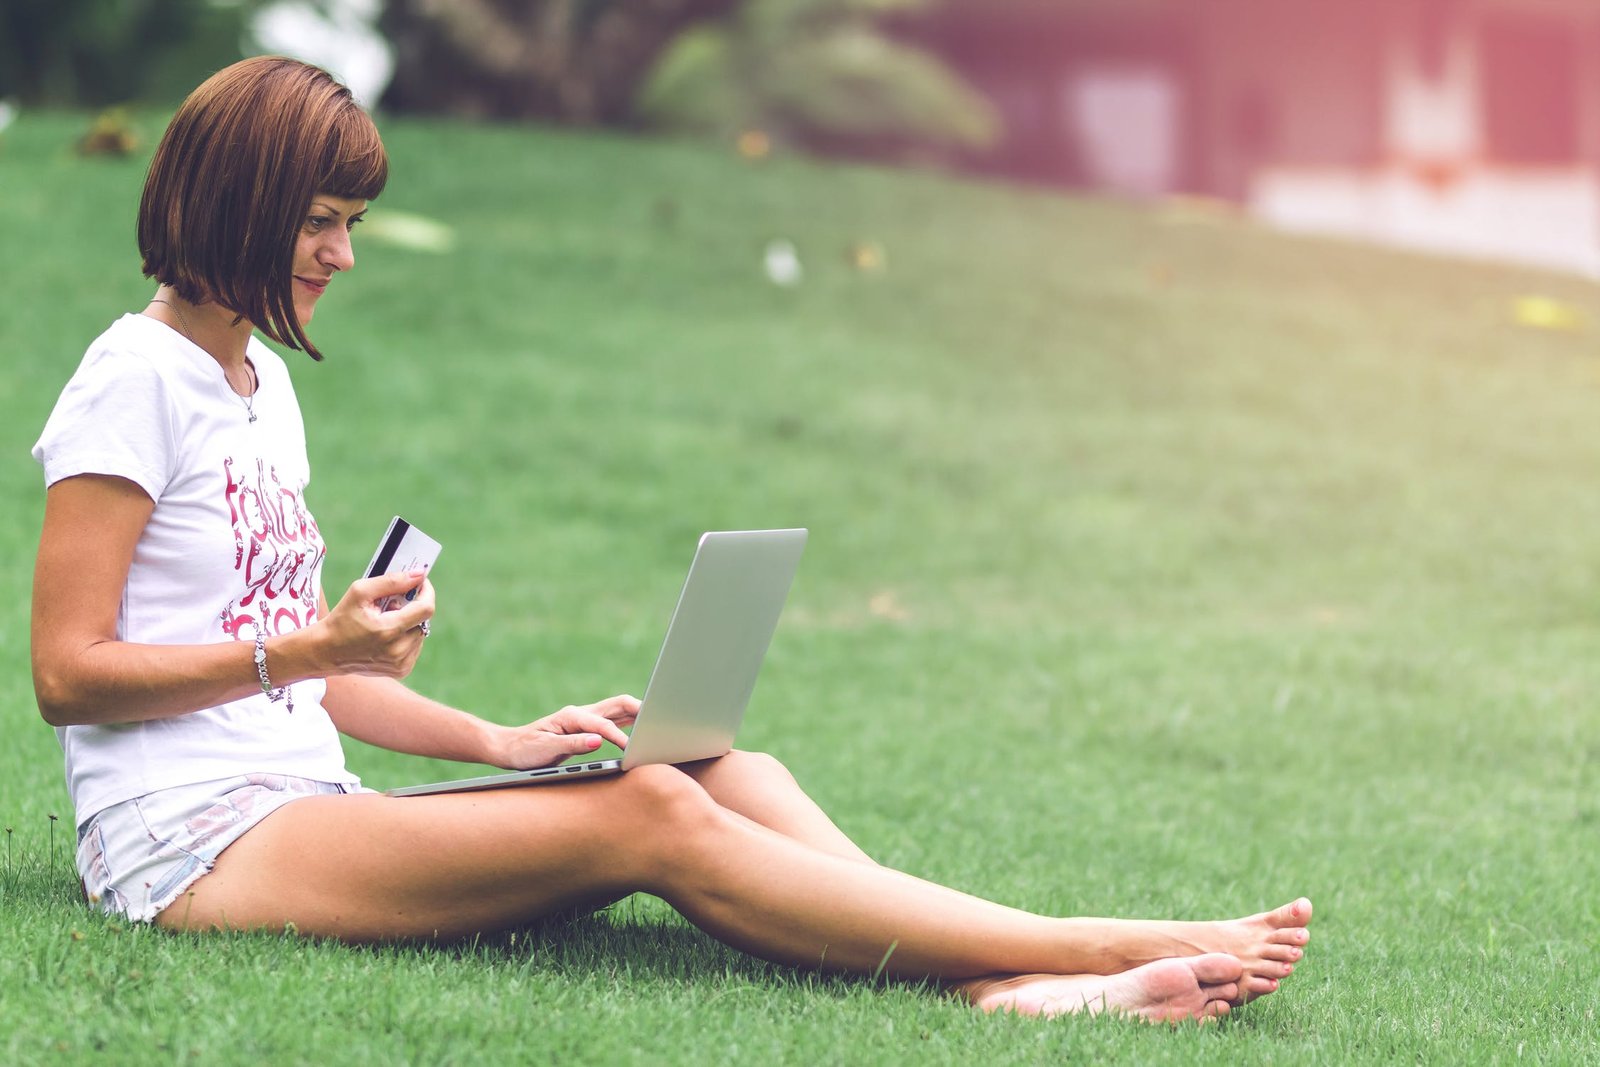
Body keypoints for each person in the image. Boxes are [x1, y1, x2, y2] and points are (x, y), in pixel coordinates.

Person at [29, 56, 1312, 1024]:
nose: (344, 254)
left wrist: (495, 737)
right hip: (187, 845)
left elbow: (306, 672)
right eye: (321, 219)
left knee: (718, 768)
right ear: (243, 205)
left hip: (306, 801)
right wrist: (305, 644)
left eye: (351, 221)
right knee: (649, 810)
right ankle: (1074, 949)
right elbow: (66, 673)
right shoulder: (130, 379)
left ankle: (998, 980)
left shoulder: (259, 385)